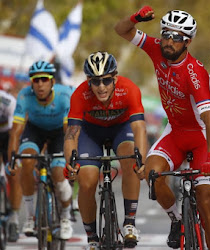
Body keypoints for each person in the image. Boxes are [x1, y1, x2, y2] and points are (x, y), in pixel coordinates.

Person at [115, 7, 210, 250]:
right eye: (166, 34)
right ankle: (176, 218)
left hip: (200, 138)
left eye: (176, 37)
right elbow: (121, 30)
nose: (169, 41)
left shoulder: (195, 73)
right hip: (174, 132)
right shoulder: (156, 49)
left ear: (188, 42)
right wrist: (135, 18)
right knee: (152, 175)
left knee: (207, 203)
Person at [63, 51, 148, 250]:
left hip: (121, 128)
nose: (101, 87)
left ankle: (129, 222)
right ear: (88, 81)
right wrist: (70, 164)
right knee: (87, 180)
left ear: (115, 77)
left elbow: (139, 128)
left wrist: (142, 160)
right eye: (95, 81)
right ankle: (92, 235)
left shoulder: (129, 89)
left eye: (107, 80)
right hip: (90, 133)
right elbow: (71, 134)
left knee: (131, 159)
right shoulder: (79, 94)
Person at [7, 60, 74, 240]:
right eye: (35, 80)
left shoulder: (65, 95)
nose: (40, 84)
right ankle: (31, 216)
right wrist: (12, 160)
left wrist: (70, 158)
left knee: (59, 175)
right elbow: (15, 132)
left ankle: (66, 217)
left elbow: (69, 131)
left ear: (52, 81)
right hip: (35, 130)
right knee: (27, 162)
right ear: (31, 83)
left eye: (44, 79)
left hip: (60, 132)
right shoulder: (24, 96)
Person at [0, 89, 18, 242]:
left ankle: (14, 218)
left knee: (13, 173)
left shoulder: (8, 101)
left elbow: (14, 133)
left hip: (7, 134)